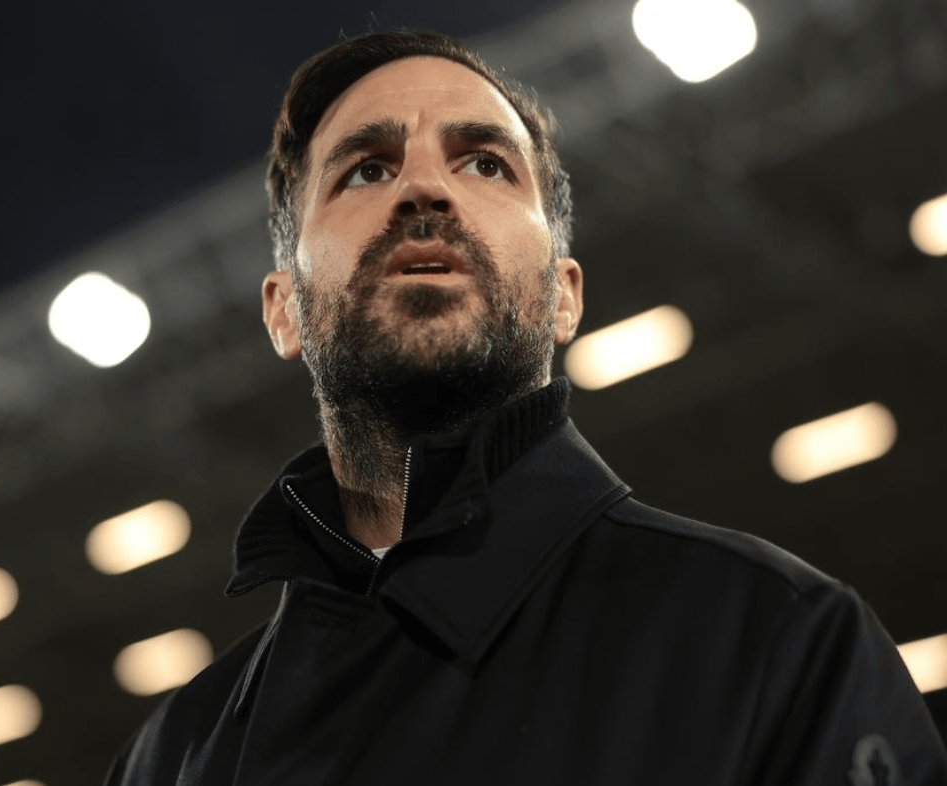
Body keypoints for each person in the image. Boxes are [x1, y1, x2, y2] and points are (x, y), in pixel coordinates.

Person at [104, 30, 946, 785]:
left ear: (564, 296)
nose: (423, 188)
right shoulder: (171, 757)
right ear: (284, 309)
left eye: (484, 163)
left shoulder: (776, 644)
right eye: (367, 169)